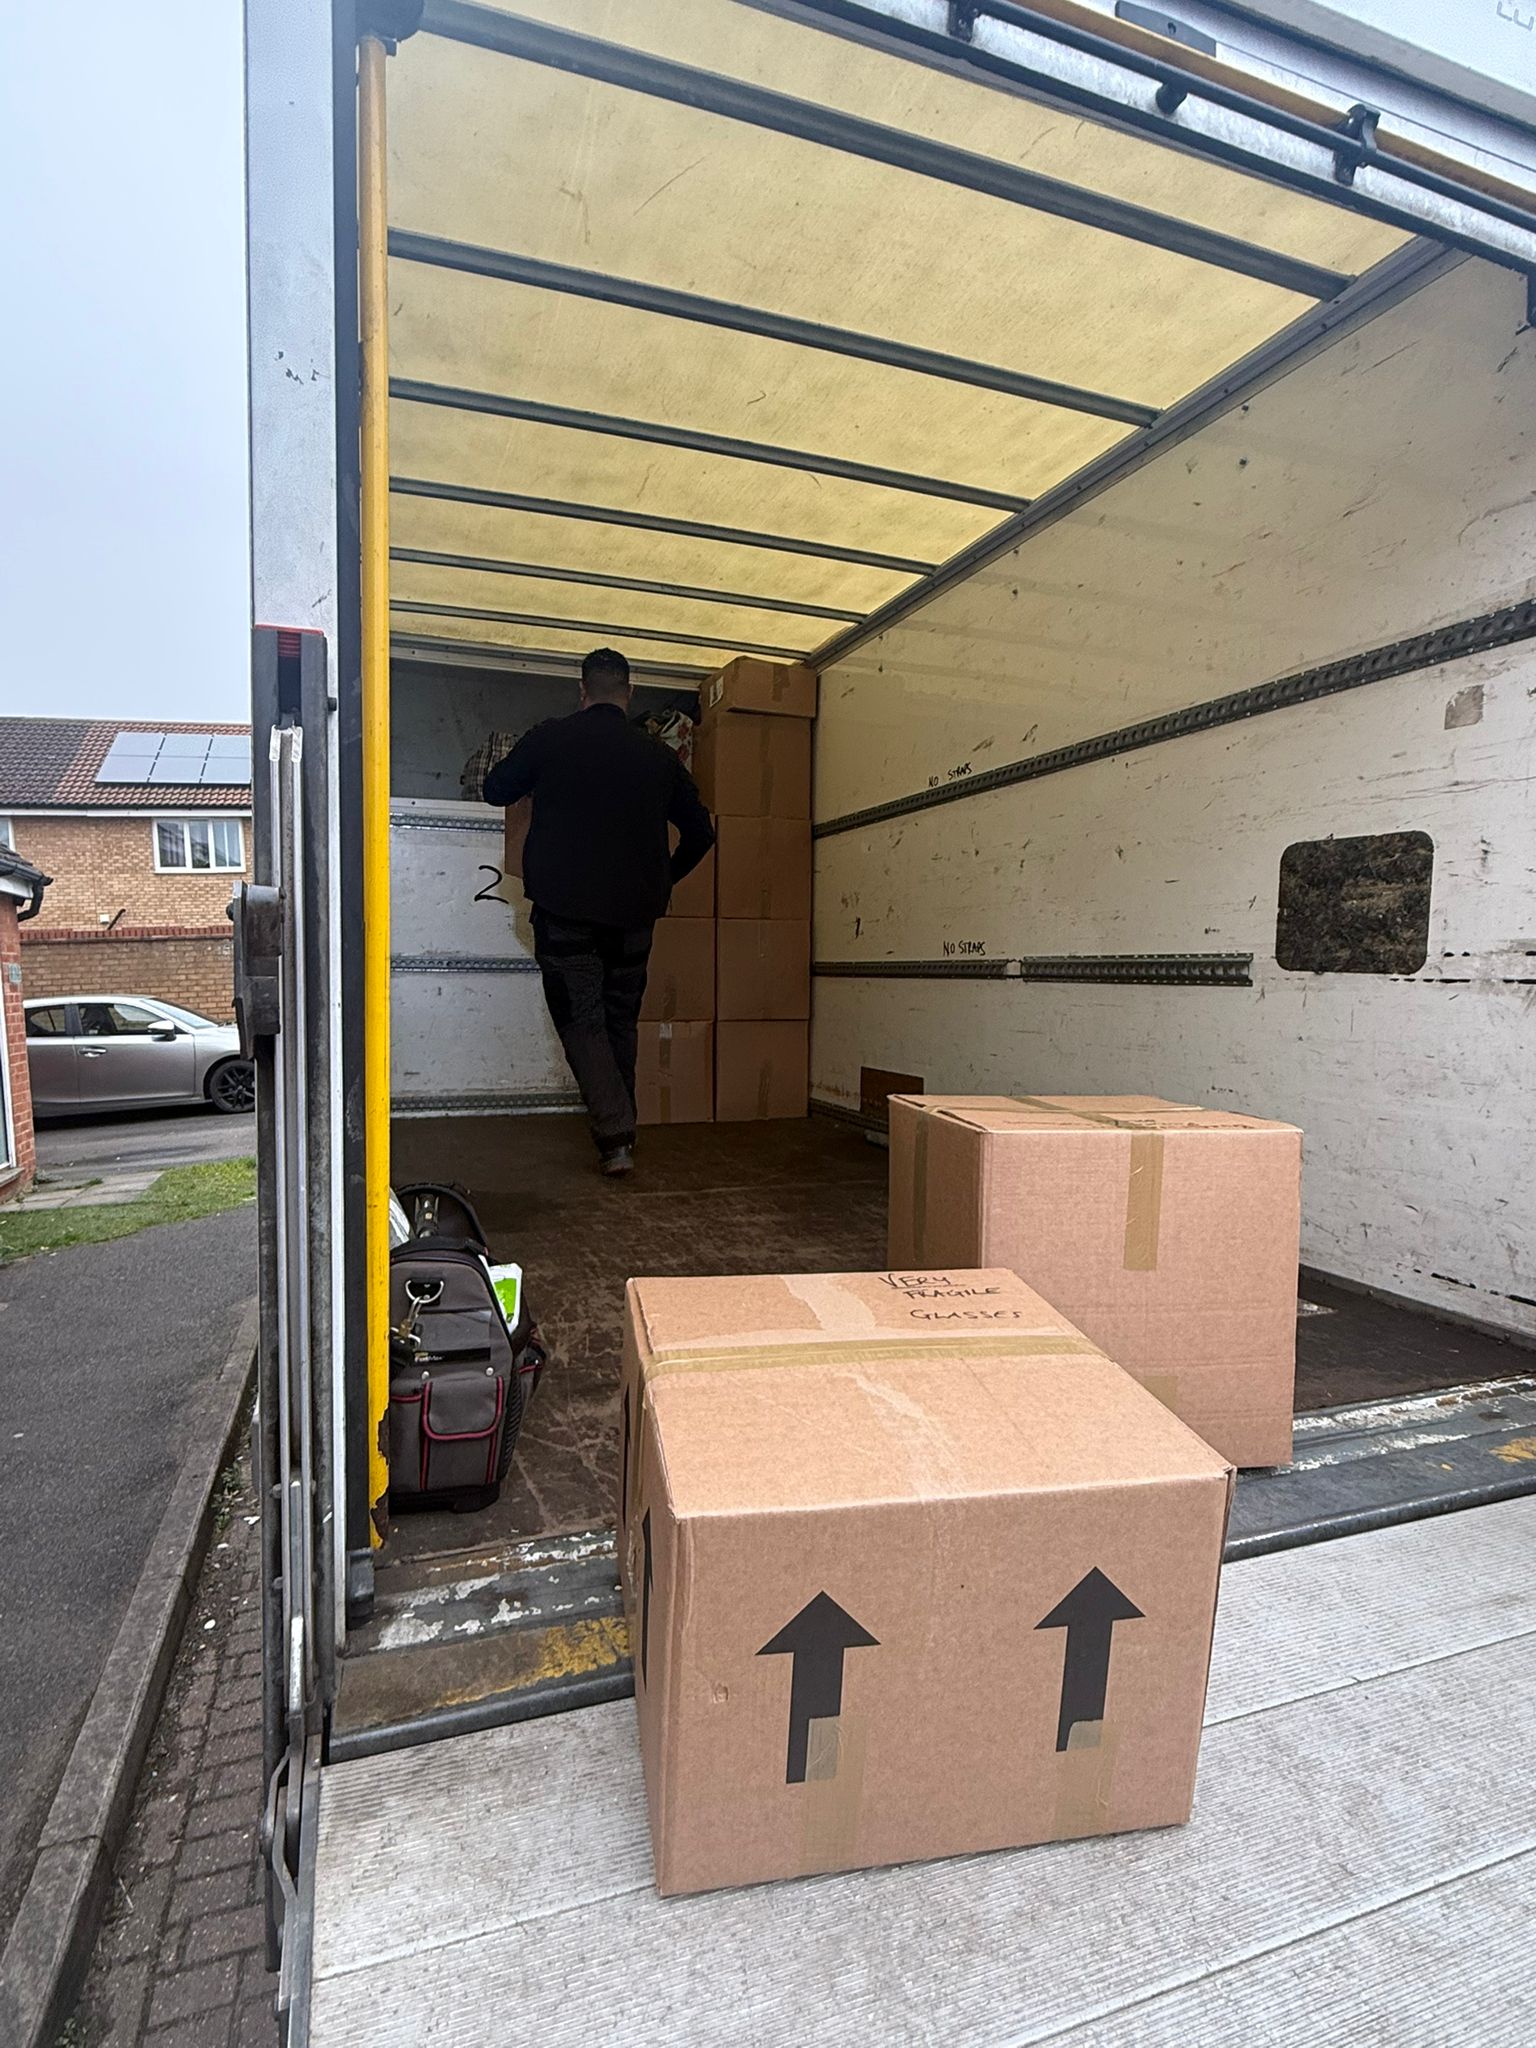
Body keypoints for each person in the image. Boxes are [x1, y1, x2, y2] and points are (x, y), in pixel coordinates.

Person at [484, 648, 715, 1177]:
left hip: (565, 911)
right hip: (634, 916)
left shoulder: (552, 738)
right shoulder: (658, 757)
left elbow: (496, 788)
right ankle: (622, 1129)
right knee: (619, 1019)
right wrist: (664, 878)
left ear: (582, 691)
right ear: (629, 693)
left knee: (582, 1021)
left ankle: (615, 1136)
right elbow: (701, 833)